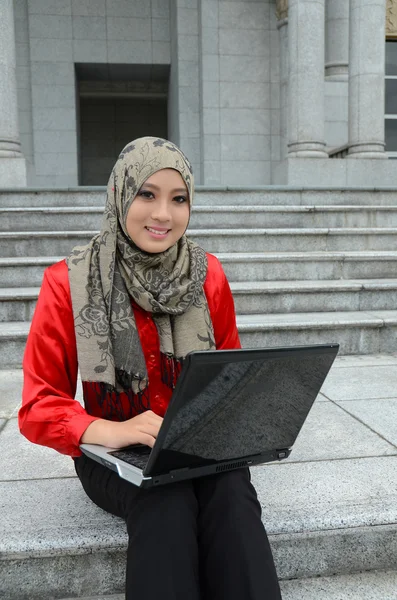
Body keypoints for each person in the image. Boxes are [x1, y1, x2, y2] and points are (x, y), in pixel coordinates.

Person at [19, 136, 282, 600]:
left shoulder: (209, 274)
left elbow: (231, 377)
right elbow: (38, 407)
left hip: (199, 443)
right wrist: (112, 431)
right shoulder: (68, 282)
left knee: (233, 497)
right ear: (121, 193)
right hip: (113, 451)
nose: (163, 214)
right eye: (147, 194)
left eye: (178, 199)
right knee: (165, 499)